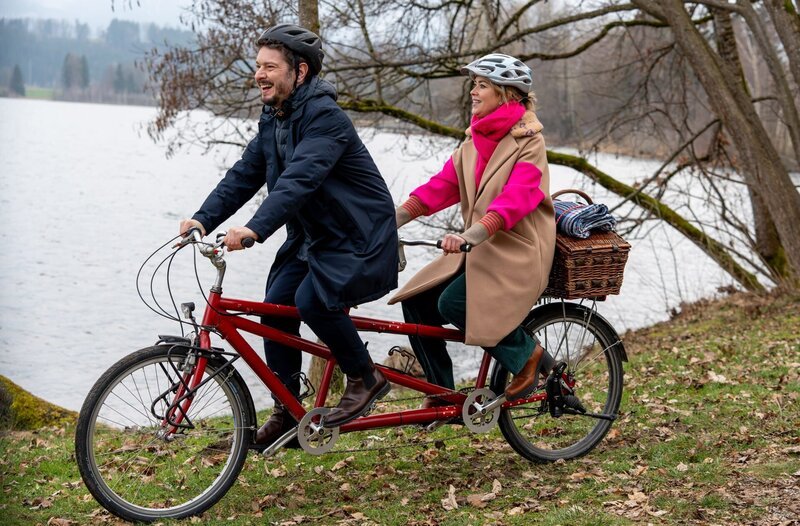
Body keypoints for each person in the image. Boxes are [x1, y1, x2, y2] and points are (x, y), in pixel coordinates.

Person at [180, 24, 397, 446]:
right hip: (313, 237)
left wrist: (256, 229)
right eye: (257, 65)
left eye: (270, 67)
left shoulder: (325, 118)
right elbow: (245, 173)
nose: (259, 74)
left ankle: (365, 376)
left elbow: (300, 180)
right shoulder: (275, 115)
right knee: (274, 311)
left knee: (312, 302)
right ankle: (288, 413)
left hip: (358, 236)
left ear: (300, 71)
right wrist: (202, 218)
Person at [389, 53, 557, 403]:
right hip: (480, 250)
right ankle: (441, 392)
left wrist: (470, 235)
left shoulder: (529, 142)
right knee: (417, 302)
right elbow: (440, 187)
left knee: (454, 302)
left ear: (505, 93)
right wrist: (393, 219)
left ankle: (527, 356)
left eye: (482, 86)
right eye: (474, 85)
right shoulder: (474, 142)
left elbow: (516, 199)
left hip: (517, 252)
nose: (473, 93)